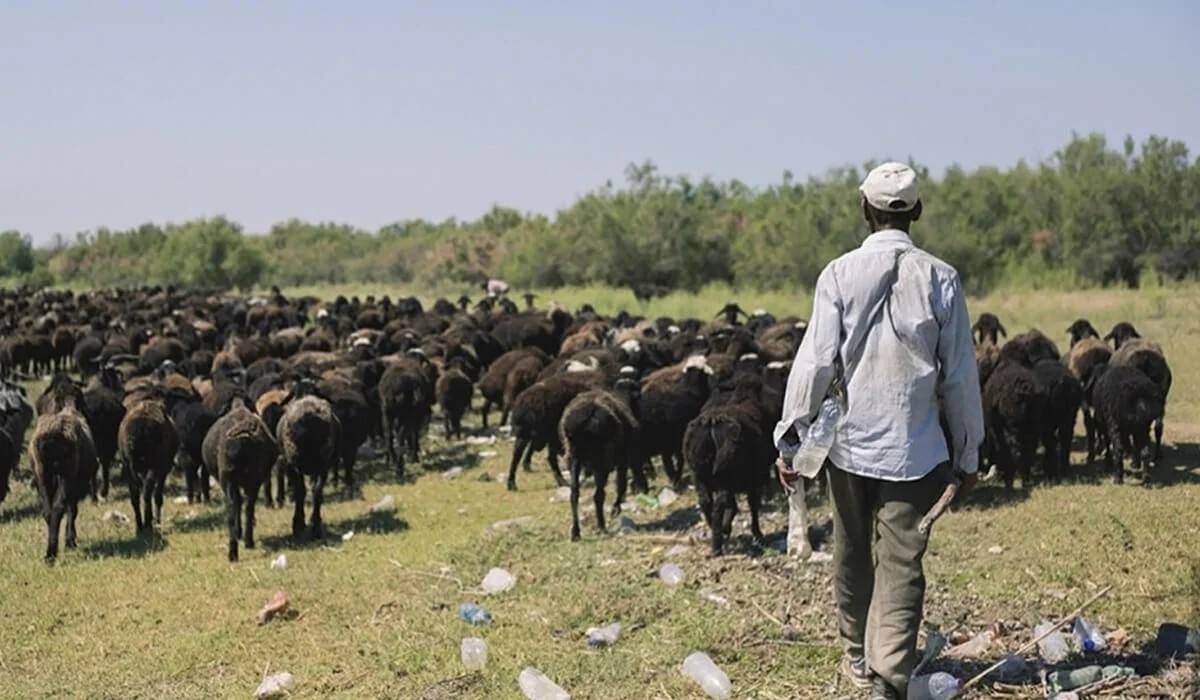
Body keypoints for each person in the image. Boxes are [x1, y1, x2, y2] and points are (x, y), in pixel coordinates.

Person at [773, 162, 985, 699]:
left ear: (865, 209)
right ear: (915, 211)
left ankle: (856, 654)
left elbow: (816, 361)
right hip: (916, 449)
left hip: (848, 446)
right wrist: (968, 453)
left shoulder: (838, 274)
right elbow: (960, 377)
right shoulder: (942, 278)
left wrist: (791, 436)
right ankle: (888, 674)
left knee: (850, 552)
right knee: (903, 561)